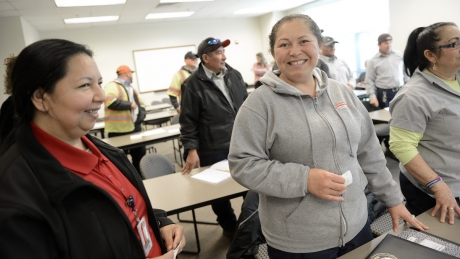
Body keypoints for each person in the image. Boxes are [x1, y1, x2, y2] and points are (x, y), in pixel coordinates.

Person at [228, 14, 427, 258]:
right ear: (273, 52)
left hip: (357, 225)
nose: (294, 51)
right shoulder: (259, 104)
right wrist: (304, 179)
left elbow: (369, 152)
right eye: (284, 44)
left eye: (303, 41)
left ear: (318, 45)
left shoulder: (341, 92)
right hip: (299, 241)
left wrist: (393, 200)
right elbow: (243, 164)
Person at [0, 39, 185, 258]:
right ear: (41, 98)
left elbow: (121, 207)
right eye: (85, 85)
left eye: (99, 82)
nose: (102, 96)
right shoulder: (14, 196)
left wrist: (160, 222)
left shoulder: (103, 150)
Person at [389, 22, 460, 225]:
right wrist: (438, 186)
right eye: (454, 43)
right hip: (435, 188)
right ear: (431, 55)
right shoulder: (413, 96)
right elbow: (401, 145)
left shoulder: (456, 77)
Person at [179, 37, 248, 233]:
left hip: (241, 142)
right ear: (205, 58)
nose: (224, 56)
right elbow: (188, 121)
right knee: (219, 195)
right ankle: (230, 228)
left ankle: (248, 228)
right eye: (218, 53)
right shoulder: (192, 85)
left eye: (224, 52)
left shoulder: (235, 75)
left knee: (250, 189)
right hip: (212, 147)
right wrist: (191, 149)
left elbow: (246, 106)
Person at [104, 65, 146, 175]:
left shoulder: (131, 88)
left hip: (135, 128)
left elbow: (141, 104)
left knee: (139, 156)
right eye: (131, 73)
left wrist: (141, 115)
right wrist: (130, 105)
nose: (132, 75)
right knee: (120, 162)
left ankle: (140, 179)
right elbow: (110, 102)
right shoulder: (112, 86)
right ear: (127, 74)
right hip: (118, 131)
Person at [365, 33, 409, 109]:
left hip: (401, 91)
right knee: (387, 118)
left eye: (390, 42)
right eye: (385, 43)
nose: (388, 45)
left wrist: (409, 89)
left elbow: (406, 74)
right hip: (384, 94)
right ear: (379, 45)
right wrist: (372, 97)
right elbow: (369, 81)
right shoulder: (373, 61)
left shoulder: (399, 55)